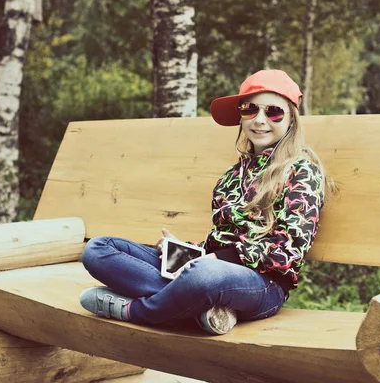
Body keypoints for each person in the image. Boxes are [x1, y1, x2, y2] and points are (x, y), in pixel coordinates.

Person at [79, 69, 334, 335]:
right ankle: (199, 308)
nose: (260, 120)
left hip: (262, 284)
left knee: (205, 276)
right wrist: (181, 251)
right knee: (98, 249)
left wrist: (209, 262)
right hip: (209, 266)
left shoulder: (301, 171)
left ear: (292, 118)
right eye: (250, 109)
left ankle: (136, 311)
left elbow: (287, 250)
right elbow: (217, 241)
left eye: (273, 112)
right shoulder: (233, 175)